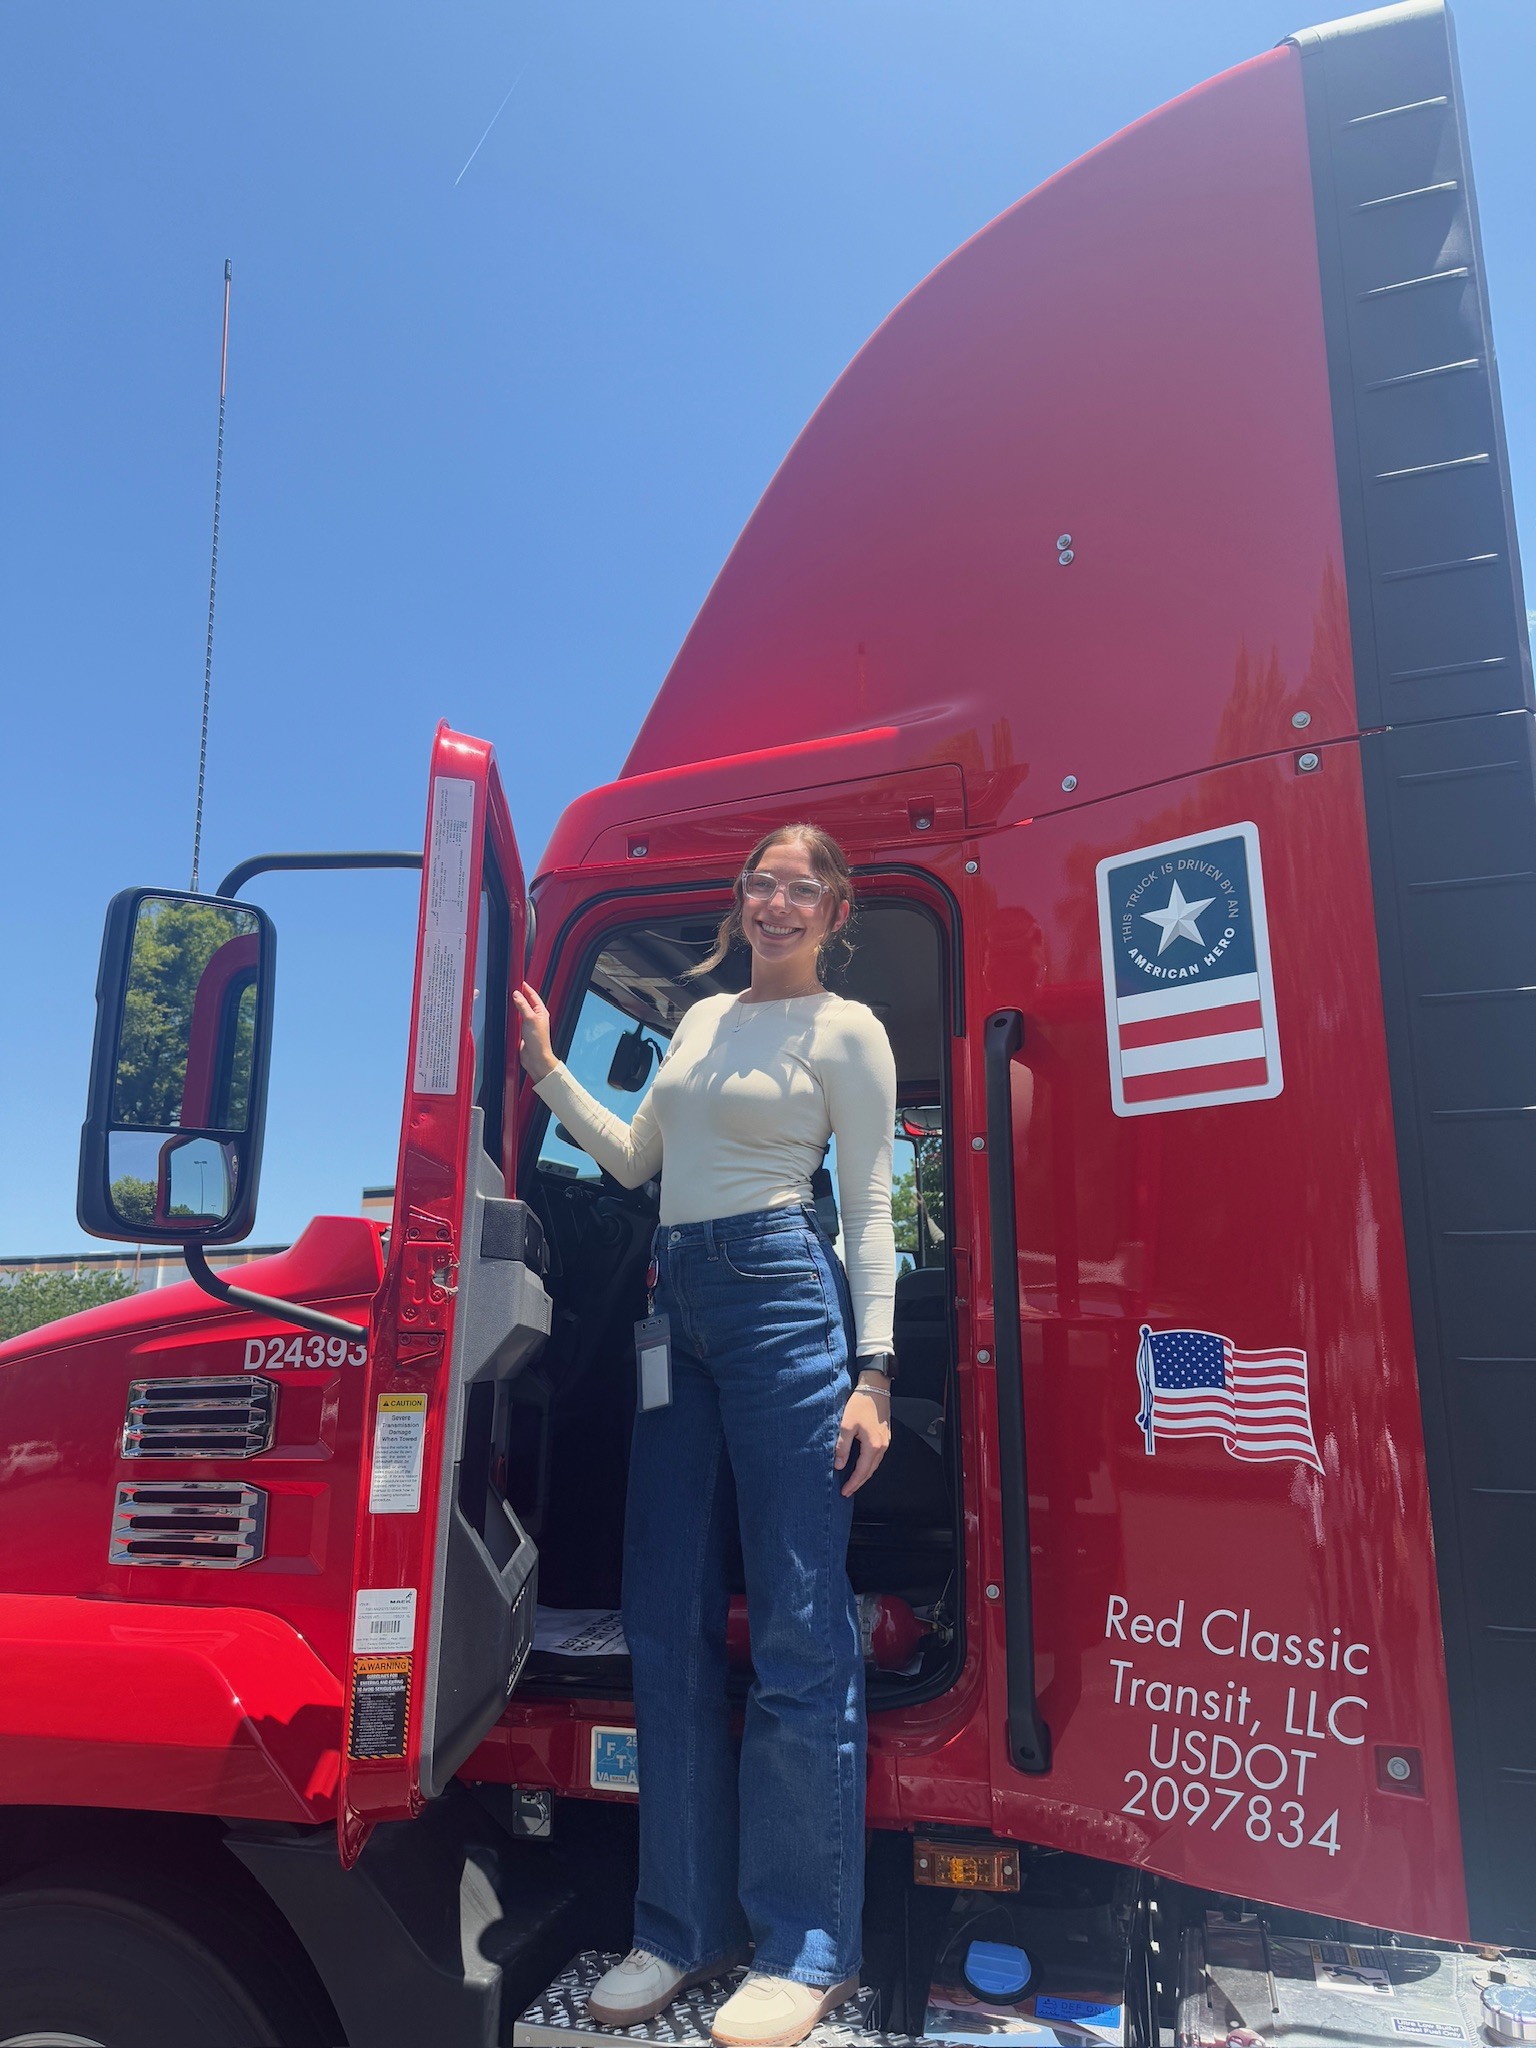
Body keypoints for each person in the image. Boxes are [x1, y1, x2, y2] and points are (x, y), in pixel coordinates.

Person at [513, 823, 898, 2048]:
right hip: (673, 1307)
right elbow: (634, 1159)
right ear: (741, 903)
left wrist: (874, 1371)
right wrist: (547, 1076)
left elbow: (876, 1200)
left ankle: (805, 1946)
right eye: (759, 883)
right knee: (663, 1601)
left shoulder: (848, 1028)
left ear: (837, 909)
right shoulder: (697, 1019)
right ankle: (678, 1925)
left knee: (797, 1606)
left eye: (800, 886)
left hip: (786, 1290)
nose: (774, 900)